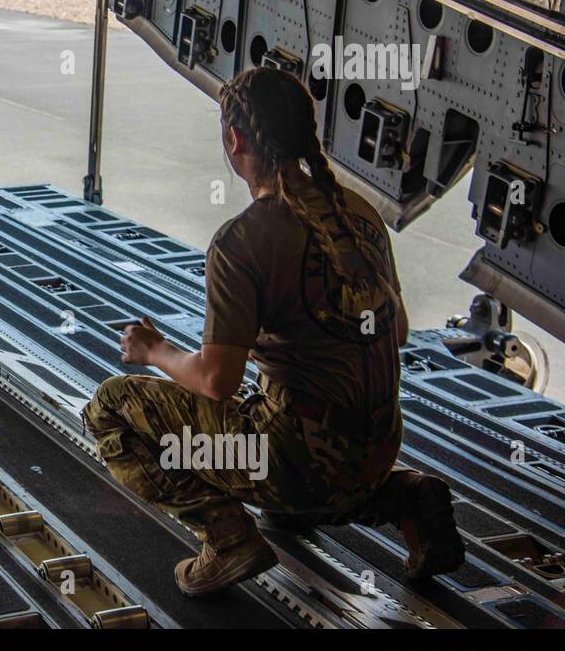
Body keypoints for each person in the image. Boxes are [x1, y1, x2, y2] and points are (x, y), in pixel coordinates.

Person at [83, 67, 464, 597]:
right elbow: (395, 331)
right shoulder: (360, 215)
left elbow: (217, 381)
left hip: (296, 466)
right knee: (289, 467)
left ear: (234, 139)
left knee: (111, 409)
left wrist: (156, 351)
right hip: (376, 450)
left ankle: (228, 539)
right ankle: (405, 496)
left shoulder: (241, 242)